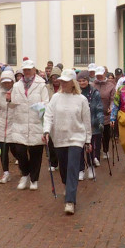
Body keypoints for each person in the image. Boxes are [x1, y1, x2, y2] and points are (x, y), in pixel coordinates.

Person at [43, 69, 92, 215]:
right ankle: (66, 185)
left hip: (76, 138)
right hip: (59, 138)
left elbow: (86, 121)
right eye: (61, 81)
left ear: (73, 83)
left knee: (72, 168)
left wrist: (88, 140)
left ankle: (70, 200)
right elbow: (48, 115)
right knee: (63, 167)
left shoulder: (81, 99)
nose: (62, 83)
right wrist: (46, 131)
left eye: (65, 81)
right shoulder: (56, 98)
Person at [9, 59, 49, 191]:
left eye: (29, 69)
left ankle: (34, 179)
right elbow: (12, 104)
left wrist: (40, 107)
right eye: (25, 70)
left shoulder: (41, 84)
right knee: (19, 152)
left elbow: (47, 103)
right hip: (20, 123)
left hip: (36, 123)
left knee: (35, 153)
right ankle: (25, 174)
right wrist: (9, 101)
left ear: (34, 70)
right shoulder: (16, 86)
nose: (27, 72)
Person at [77, 70, 103, 180]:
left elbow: (99, 108)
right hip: (78, 124)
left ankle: (91, 166)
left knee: (89, 147)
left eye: (84, 80)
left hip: (91, 124)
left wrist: (100, 121)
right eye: (80, 81)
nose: (82, 83)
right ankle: (81, 169)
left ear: (88, 80)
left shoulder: (94, 92)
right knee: (79, 149)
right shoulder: (76, 92)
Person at [93, 66, 116, 161]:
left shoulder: (111, 86)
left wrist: (112, 107)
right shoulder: (92, 85)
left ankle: (106, 149)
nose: (99, 77)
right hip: (95, 114)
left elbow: (113, 99)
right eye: (97, 75)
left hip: (106, 113)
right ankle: (96, 153)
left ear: (104, 74)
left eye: (100, 75)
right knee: (97, 135)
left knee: (106, 134)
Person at [45, 67, 62, 171]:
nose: (55, 79)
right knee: (51, 142)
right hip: (50, 116)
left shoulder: (64, 87)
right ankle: (53, 162)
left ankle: (62, 160)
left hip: (61, 117)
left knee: (60, 140)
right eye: (53, 77)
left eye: (57, 77)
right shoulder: (46, 87)